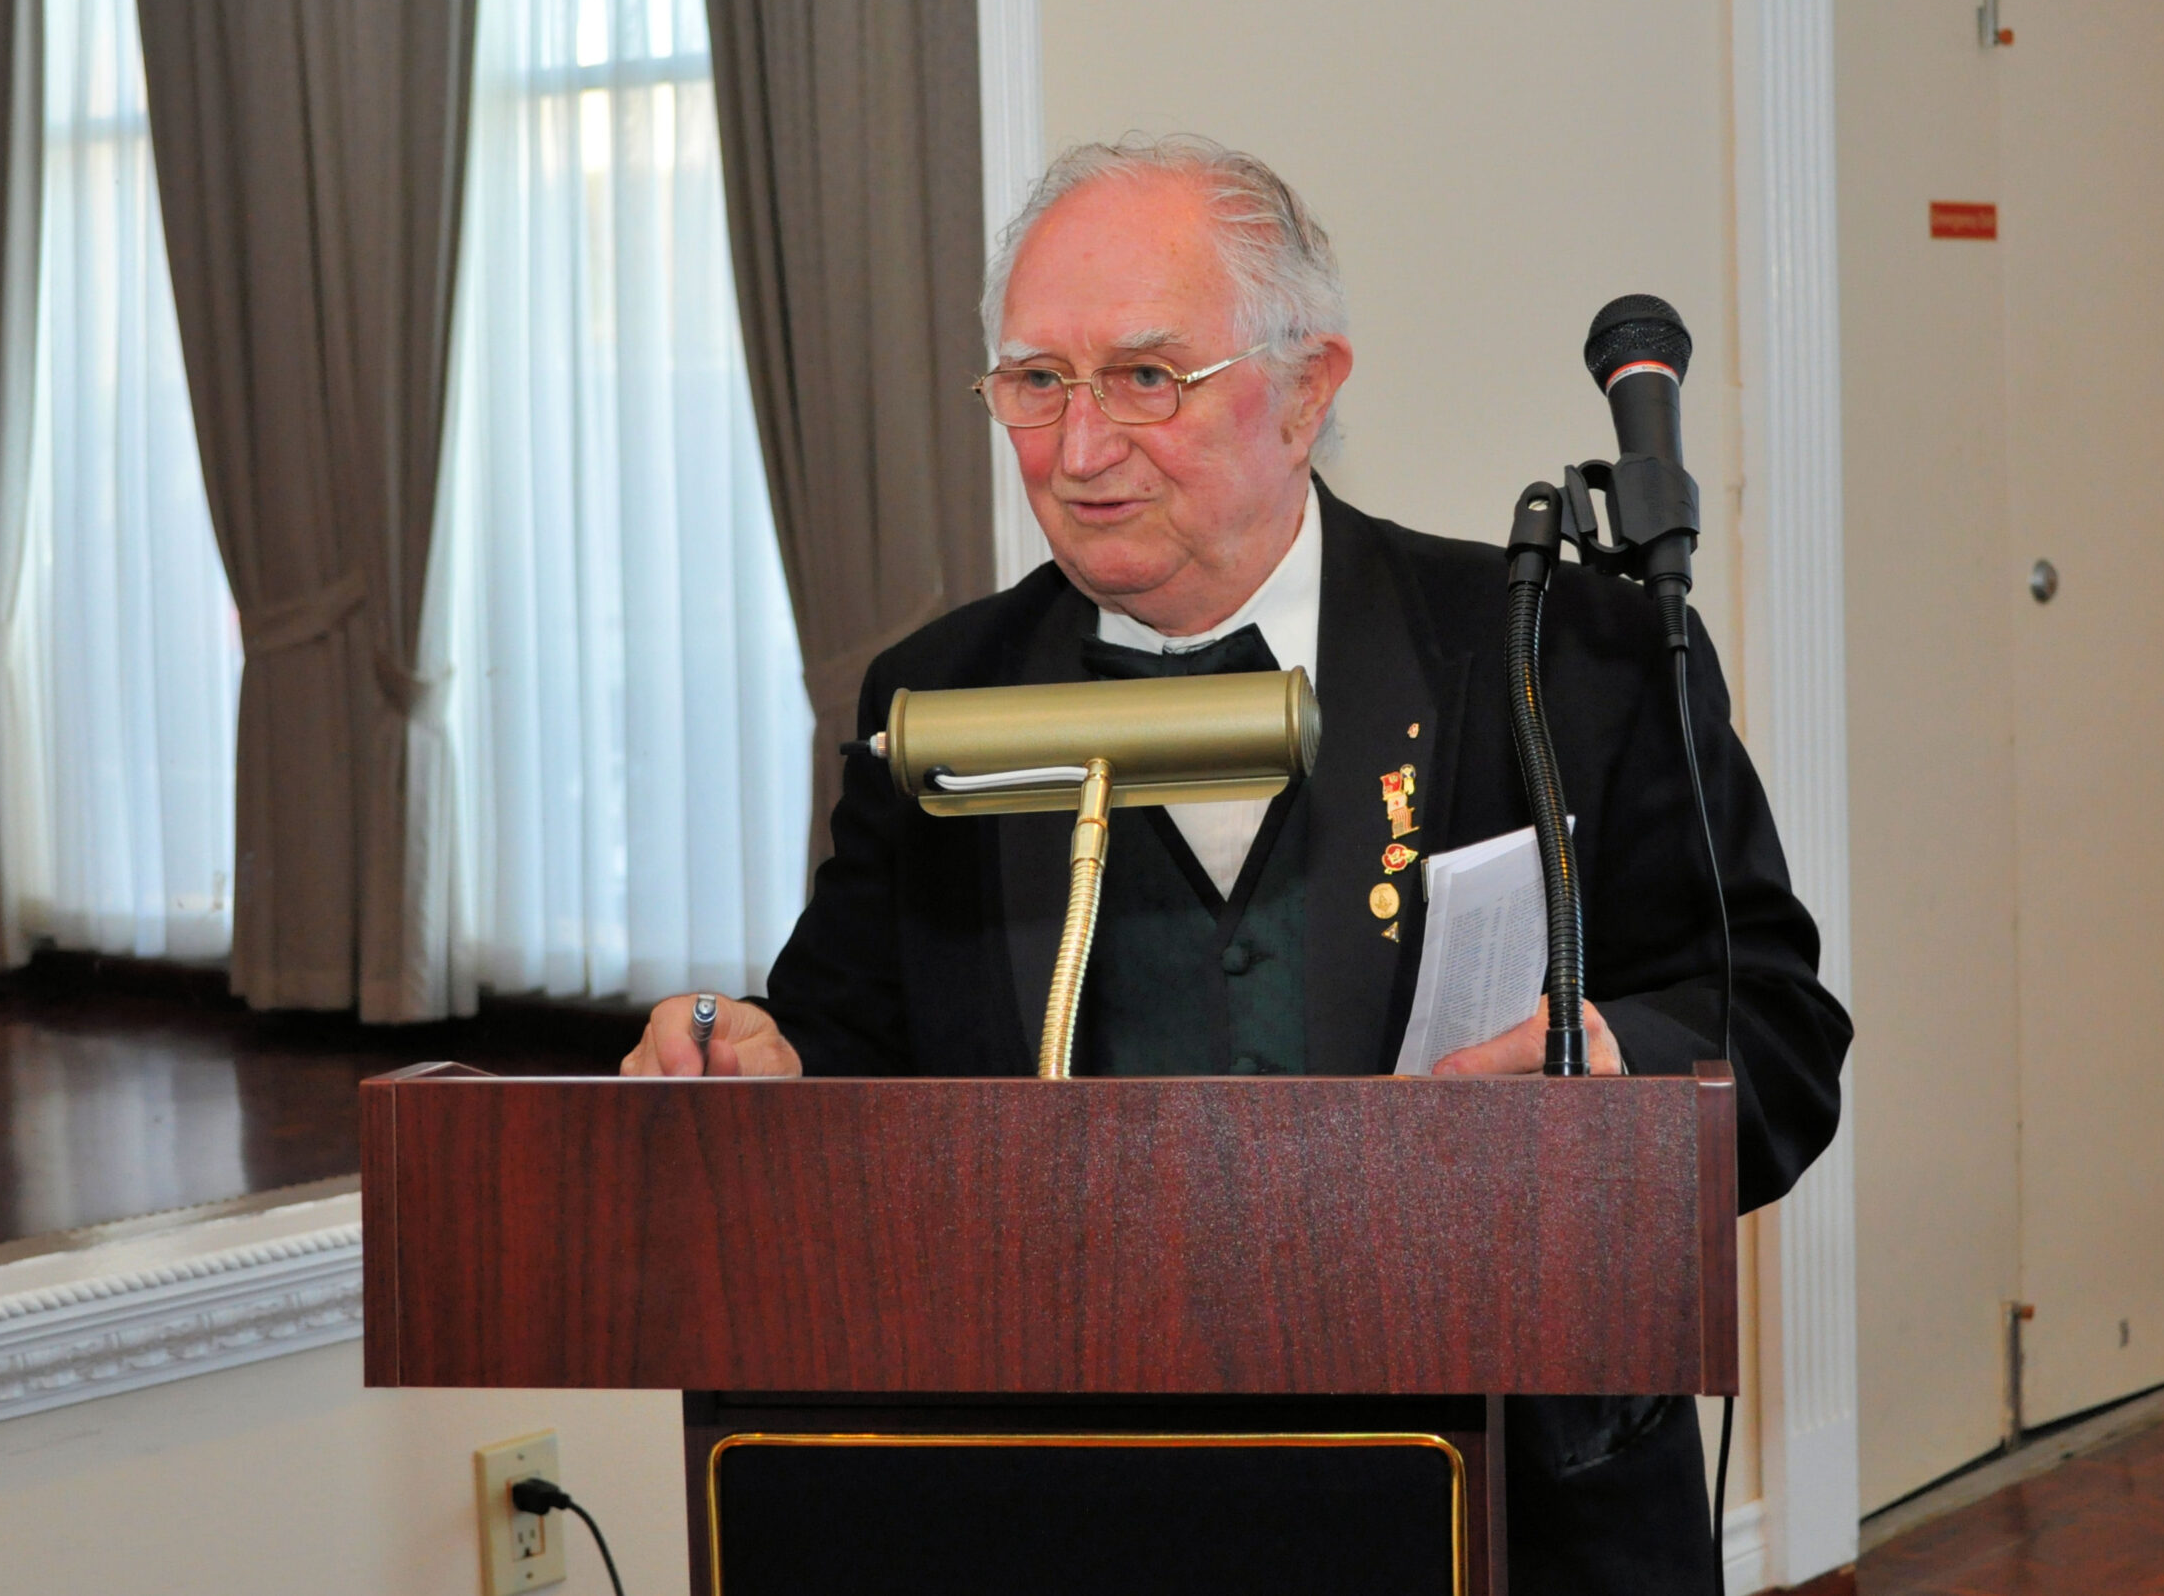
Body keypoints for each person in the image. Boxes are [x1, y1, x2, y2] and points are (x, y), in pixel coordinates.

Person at [625, 135, 1851, 1593]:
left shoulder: (1565, 658)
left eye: (1147, 378)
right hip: (1055, 1516)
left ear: (1309, 388)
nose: (1079, 450)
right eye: (1036, 381)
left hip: (1505, 1511)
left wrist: (1603, 1068)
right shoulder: (935, 700)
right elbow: (849, 1057)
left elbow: (1775, 1036)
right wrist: (756, 1064)